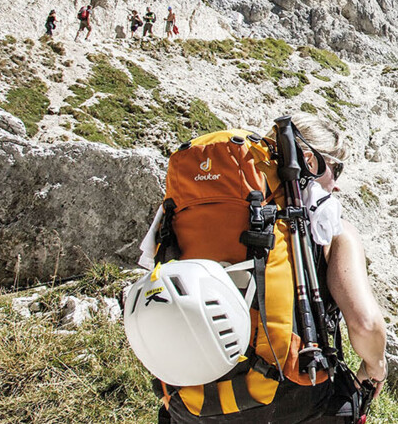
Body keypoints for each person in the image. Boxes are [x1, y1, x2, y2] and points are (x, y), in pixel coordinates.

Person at [160, 113, 386, 424]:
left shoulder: (190, 213)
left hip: (188, 395)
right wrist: (375, 366)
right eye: (337, 169)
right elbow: (365, 325)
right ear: (309, 160)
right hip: (285, 395)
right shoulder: (332, 229)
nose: (336, 185)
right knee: (344, 398)